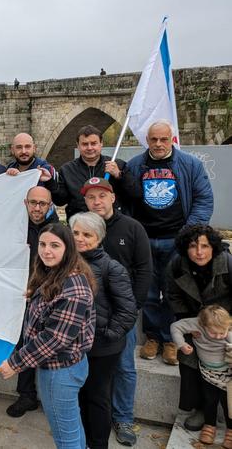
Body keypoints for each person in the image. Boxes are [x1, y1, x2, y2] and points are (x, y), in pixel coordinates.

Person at [0, 223, 96, 449]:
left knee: (65, 436)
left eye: (54, 245)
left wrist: (15, 363)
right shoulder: (57, 274)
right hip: (62, 367)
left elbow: (55, 338)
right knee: (71, 427)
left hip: (60, 372)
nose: (46, 251)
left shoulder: (73, 289)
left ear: (68, 249)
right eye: (42, 244)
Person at [125, 120, 214, 367]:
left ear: (172, 139)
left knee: (174, 292)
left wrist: (187, 234)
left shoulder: (190, 164)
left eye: (164, 139)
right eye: (154, 139)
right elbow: (125, 200)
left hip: (176, 240)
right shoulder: (135, 165)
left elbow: (204, 199)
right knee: (150, 292)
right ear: (148, 141)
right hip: (145, 240)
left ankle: (171, 339)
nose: (159, 144)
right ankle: (153, 337)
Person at [82, 176, 152, 446]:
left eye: (101, 195)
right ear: (85, 201)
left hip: (122, 313)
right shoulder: (81, 227)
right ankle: (91, 416)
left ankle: (123, 416)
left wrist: (132, 308)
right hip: (89, 315)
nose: (96, 201)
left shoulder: (132, 228)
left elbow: (145, 270)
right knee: (91, 370)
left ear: (112, 197)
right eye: (91, 197)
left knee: (124, 366)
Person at [70, 212, 137, 449]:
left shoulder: (112, 268)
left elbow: (128, 312)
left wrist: (106, 335)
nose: (80, 239)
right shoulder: (65, 263)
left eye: (87, 234)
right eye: (76, 233)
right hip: (74, 346)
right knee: (78, 395)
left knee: (97, 397)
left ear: (99, 237)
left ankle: (98, 443)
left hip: (102, 348)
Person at [166, 224, 232, 432]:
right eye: (193, 246)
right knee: (190, 362)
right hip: (194, 321)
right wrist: (188, 322)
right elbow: (173, 294)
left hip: (225, 321)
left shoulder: (228, 263)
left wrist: (226, 323)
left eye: (205, 246)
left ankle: (229, 412)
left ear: (213, 247)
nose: (200, 252)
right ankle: (201, 409)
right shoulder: (177, 265)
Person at [5, 186, 58, 418]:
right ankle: (26, 395)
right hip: (20, 296)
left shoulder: (57, 230)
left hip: (47, 296)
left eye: (42, 204)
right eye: (33, 203)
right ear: (25, 203)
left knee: (45, 345)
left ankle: (52, 397)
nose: (37, 208)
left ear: (50, 205)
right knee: (24, 343)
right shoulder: (13, 226)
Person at [171, 305, 232, 448]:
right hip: (207, 373)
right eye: (214, 333)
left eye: (221, 333)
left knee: (228, 404)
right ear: (203, 325)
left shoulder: (228, 332)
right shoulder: (196, 323)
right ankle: (210, 425)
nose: (218, 336)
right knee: (209, 400)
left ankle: (231, 429)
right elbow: (175, 326)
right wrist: (181, 344)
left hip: (227, 377)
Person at [51, 125, 139, 221]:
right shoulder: (67, 170)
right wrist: (50, 182)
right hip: (81, 225)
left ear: (101, 143)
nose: (89, 148)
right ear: (78, 145)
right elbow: (59, 201)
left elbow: (135, 194)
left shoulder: (118, 165)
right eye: (85, 144)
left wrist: (119, 175)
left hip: (113, 224)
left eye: (93, 143)